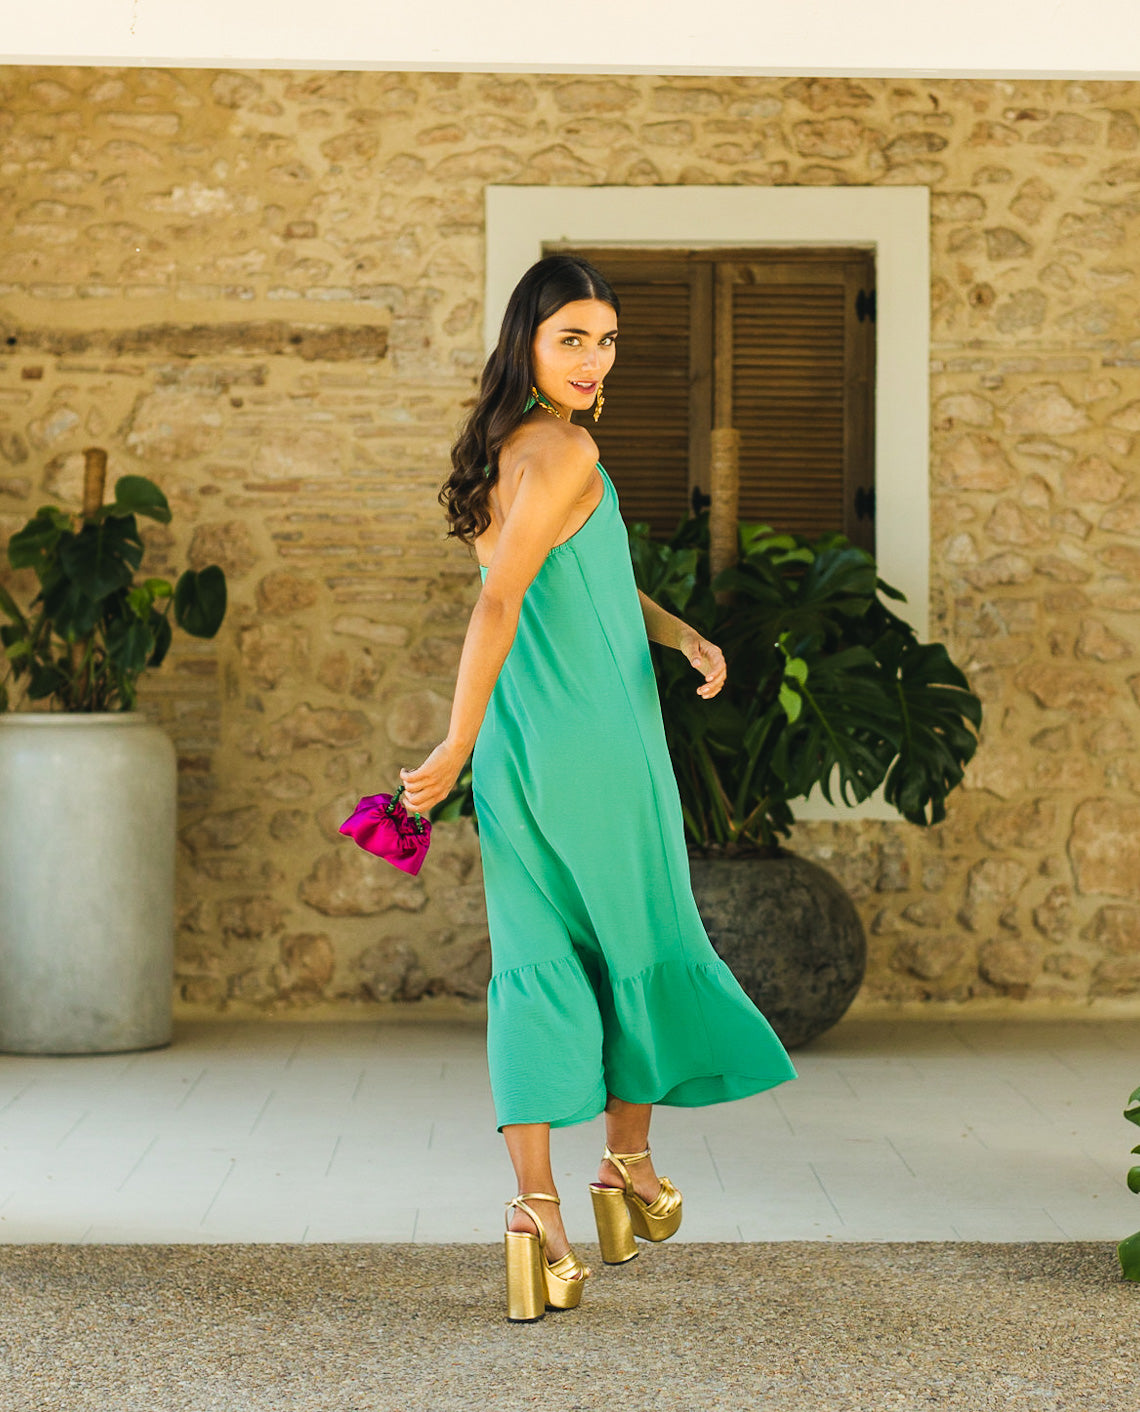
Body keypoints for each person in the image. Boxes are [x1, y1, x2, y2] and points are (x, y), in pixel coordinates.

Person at [399, 253, 798, 1322]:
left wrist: (677, 631)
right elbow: (498, 606)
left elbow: (572, 578)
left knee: (535, 959)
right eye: (571, 337)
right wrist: (449, 738)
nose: (594, 359)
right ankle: (628, 1162)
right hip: (599, 745)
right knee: (641, 938)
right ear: (527, 342)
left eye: (607, 339)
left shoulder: (502, 448)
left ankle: (535, 1207)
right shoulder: (569, 448)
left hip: (522, 749)